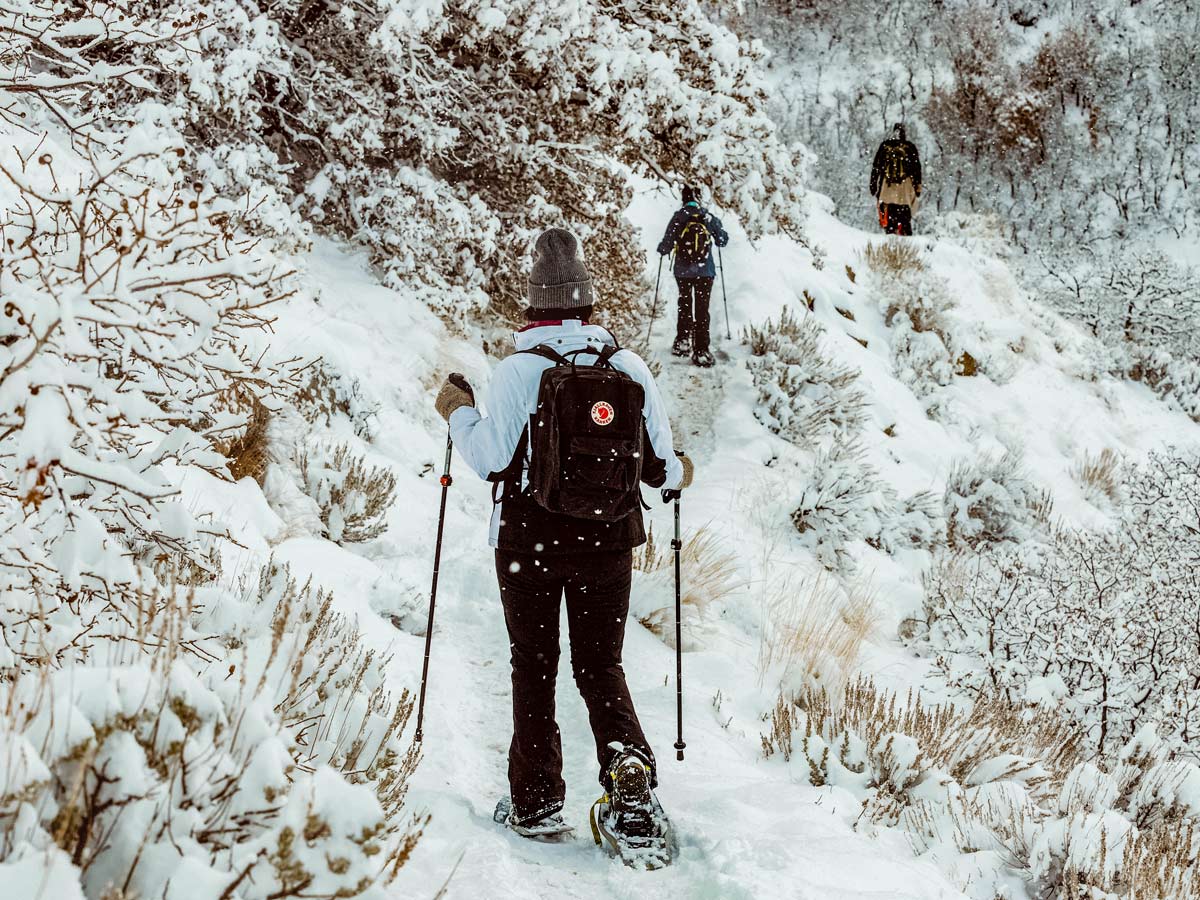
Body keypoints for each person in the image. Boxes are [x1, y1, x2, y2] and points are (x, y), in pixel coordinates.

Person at [434, 227, 694, 844]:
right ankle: (628, 778)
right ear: (587, 302)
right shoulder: (626, 367)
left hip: (529, 543)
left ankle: (535, 802)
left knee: (535, 665)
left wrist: (457, 412)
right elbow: (663, 471)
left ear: (533, 305)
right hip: (608, 543)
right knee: (601, 664)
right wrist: (685, 468)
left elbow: (492, 461)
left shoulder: (516, 371)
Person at [656, 185, 729, 368]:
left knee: (685, 305)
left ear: (683, 198)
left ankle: (682, 342)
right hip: (705, 272)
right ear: (699, 197)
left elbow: (666, 244)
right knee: (702, 310)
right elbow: (722, 240)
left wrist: (662, 248)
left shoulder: (679, 216)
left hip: (683, 272)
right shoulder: (706, 216)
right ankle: (701, 350)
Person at [869, 123, 922, 236]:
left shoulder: (885, 146)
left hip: (887, 190)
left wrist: (873, 185)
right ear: (904, 134)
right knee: (905, 221)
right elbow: (917, 169)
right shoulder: (909, 147)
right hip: (904, 191)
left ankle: (891, 240)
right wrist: (917, 188)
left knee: (890, 222)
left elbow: (876, 166)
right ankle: (907, 243)